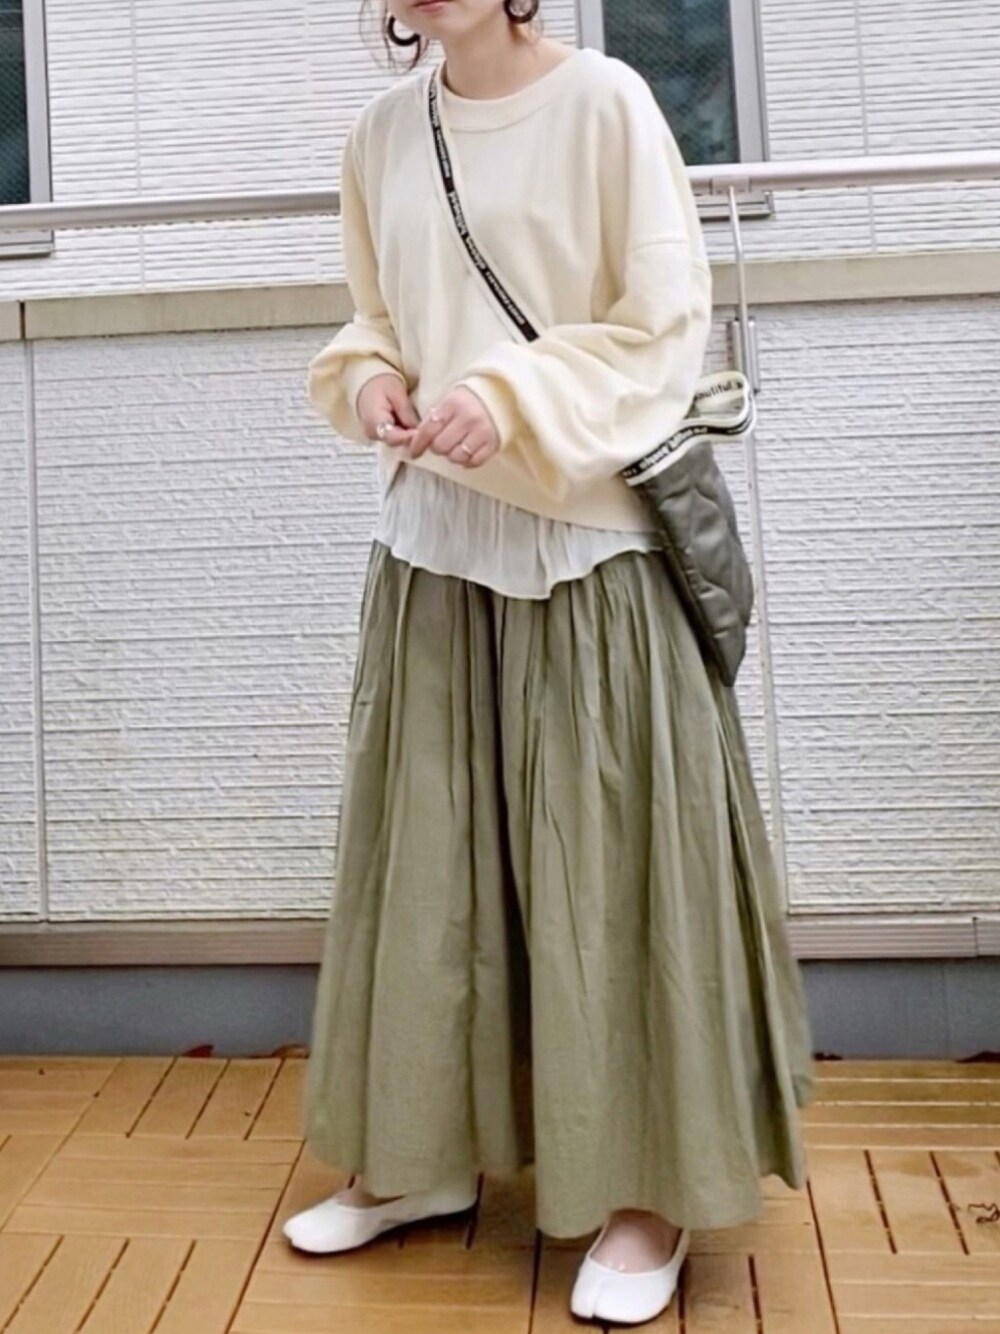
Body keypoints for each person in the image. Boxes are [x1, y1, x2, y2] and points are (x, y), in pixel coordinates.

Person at [284, 0, 816, 1325]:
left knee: (614, 876)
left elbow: (662, 326)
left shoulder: (606, 103)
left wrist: (506, 394)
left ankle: (647, 1192)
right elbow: (377, 317)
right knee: (431, 872)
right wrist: (373, 381)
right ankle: (420, 1155)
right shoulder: (382, 135)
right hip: (436, 547)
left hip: (588, 554)